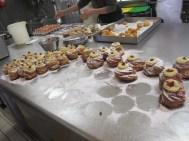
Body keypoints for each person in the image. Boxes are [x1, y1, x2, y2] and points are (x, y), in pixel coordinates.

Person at [55, 0, 124, 24]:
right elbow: (79, 5)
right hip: (103, 17)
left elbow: (112, 7)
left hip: (115, 17)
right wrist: (64, 12)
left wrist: (93, 11)